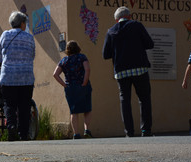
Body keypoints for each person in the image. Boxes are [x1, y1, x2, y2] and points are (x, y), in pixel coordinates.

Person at [102, 6, 154, 137]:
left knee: (125, 101)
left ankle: (129, 132)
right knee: (144, 99)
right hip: (140, 68)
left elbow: (105, 54)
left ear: (116, 19)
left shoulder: (111, 31)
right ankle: (145, 130)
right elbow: (150, 44)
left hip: (121, 71)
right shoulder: (137, 25)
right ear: (129, 16)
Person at [0, 11, 35, 141]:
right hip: (26, 77)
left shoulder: (5, 35)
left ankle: (11, 126)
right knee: (24, 106)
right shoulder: (29, 37)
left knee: (9, 104)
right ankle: (23, 134)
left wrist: (1, 62)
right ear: (23, 23)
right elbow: (32, 55)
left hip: (9, 77)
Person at [53, 40, 93, 139]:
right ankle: (86, 130)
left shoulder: (64, 61)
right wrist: (84, 82)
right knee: (87, 109)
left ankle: (76, 134)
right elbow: (87, 69)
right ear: (77, 48)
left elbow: (55, 74)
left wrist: (64, 85)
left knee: (74, 111)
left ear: (67, 49)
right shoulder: (82, 57)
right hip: (83, 86)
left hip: (70, 88)